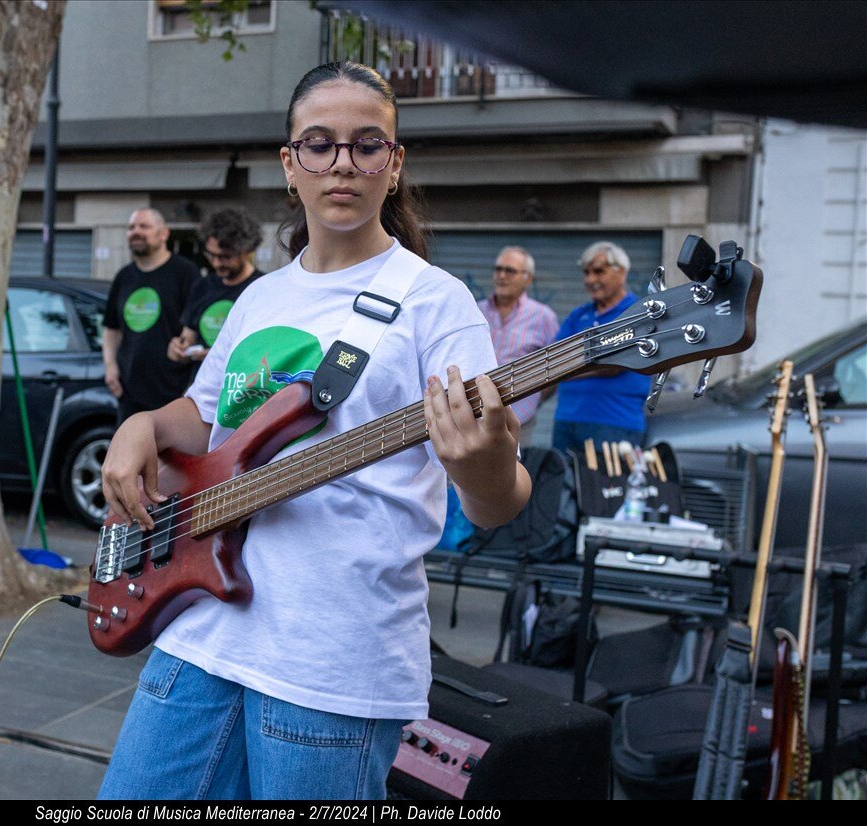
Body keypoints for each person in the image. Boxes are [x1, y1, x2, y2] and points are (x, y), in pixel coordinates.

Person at [97, 61, 529, 800]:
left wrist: (482, 461)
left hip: (334, 658)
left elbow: (497, 505)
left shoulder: (435, 302)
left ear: (393, 167)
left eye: (367, 145)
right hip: (200, 626)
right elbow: (206, 419)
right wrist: (142, 423)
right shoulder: (261, 296)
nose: (343, 163)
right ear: (289, 164)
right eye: (319, 144)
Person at [552, 241, 652, 454]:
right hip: (566, 421)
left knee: (609, 487)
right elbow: (553, 361)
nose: (590, 280)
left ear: (622, 273)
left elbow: (613, 364)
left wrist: (569, 366)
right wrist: (591, 361)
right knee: (561, 485)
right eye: (586, 273)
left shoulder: (637, 312)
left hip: (614, 423)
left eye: (599, 271)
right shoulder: (579, 314)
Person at [102, 208, 201, 424]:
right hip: (130, 395)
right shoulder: (124, 276)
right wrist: (110, 366)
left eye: (144, 226)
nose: (136, 231)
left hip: (175, 394)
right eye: (131, 227)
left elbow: (196, 328)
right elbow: (111, 329)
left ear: (163, 233)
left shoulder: (185, 273)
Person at [477, 246, 558, 440]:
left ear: (527, 278)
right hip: (476, 417)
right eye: (498, 269)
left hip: (519, 419)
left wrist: (533, 399)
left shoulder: (543, 317)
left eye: (510, 271)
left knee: (515, 471)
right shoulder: (477, 310)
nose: (502, 275)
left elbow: (555, 369)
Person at [167, 207, 264, 369]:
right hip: (202, 386)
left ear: (247, 251)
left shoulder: (262, 288)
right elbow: (188, 337)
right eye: (211, 255)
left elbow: (266, 348)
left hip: (243, 386)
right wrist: (178, 349)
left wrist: (220, 355)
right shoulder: (202, 286)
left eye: (225, 257)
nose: (217, 263)